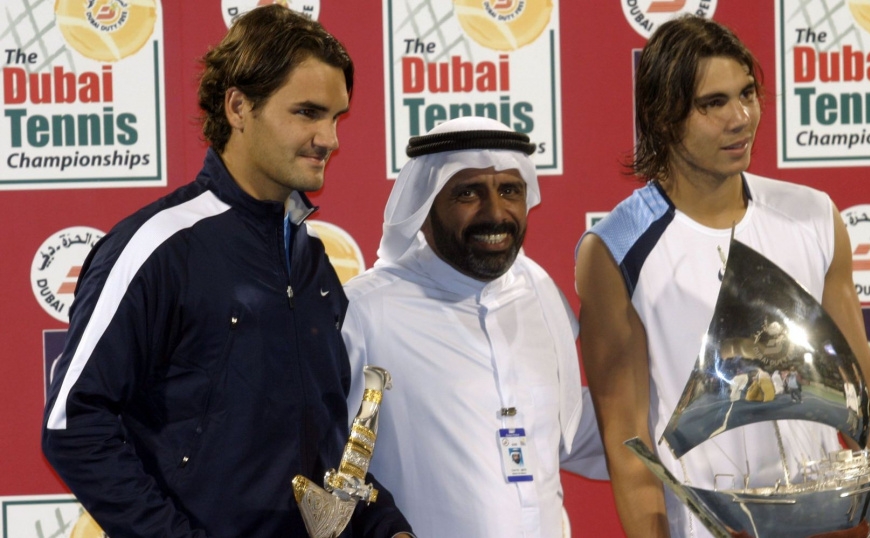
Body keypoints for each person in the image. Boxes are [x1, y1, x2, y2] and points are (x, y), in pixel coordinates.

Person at [41, 6, 412, 537]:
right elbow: (73, 424)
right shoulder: (159, 246)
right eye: (307, 113)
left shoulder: (313, 261)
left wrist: (386, 527)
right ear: (238, 106)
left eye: (336, 117)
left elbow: (326, 446)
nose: (329, 138)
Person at [574, 14, 870, 538]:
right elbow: (628, 444)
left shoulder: (813, 216)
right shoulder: (616, 250)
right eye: (714, 103)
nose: (742, 117)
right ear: (662, 116)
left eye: (747, 93)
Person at [342, 116, 606, 537]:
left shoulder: (539, 292)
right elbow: (326, 467)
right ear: (425, 203)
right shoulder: (364, 314)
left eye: (510, 191)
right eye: (468, 192)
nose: (496, 213)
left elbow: (562, 432)